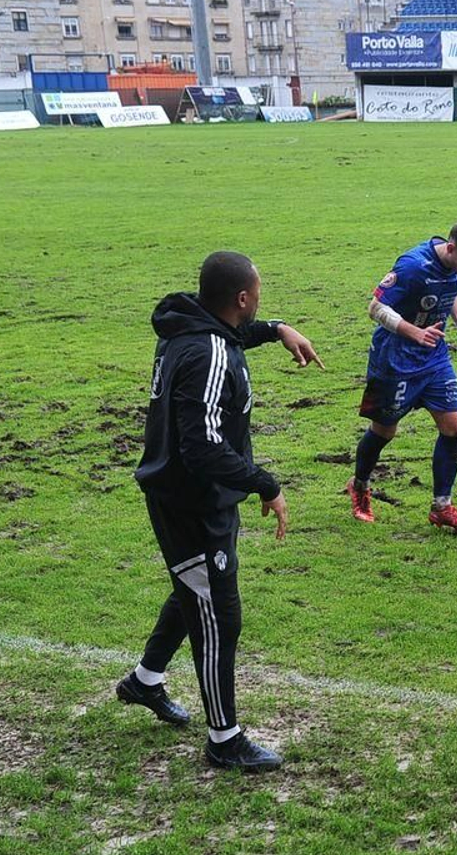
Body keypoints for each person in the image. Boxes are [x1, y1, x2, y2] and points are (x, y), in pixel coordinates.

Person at [124, 251, 323, 772]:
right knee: (220, 615)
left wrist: (277, 329)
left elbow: (230, 334)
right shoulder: (208, 352)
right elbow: (203, 446)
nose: (259, 300)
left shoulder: (189, 326)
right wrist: (265, 484)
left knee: (196, 592)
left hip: (193, 495)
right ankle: (224, 740)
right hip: (191, 502)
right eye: (258, 294)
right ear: (241, 298)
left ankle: (145, 681)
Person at [348, 222, 457, 533]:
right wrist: (414, 332)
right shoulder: (412, 266)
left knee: (454, 429)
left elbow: (449, 289)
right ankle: (359, 486)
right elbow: (375, 308)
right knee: (384, 431)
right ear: (450, 248)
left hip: (434, 359)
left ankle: (442, 507)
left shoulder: (454, 268)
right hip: (394, 361)